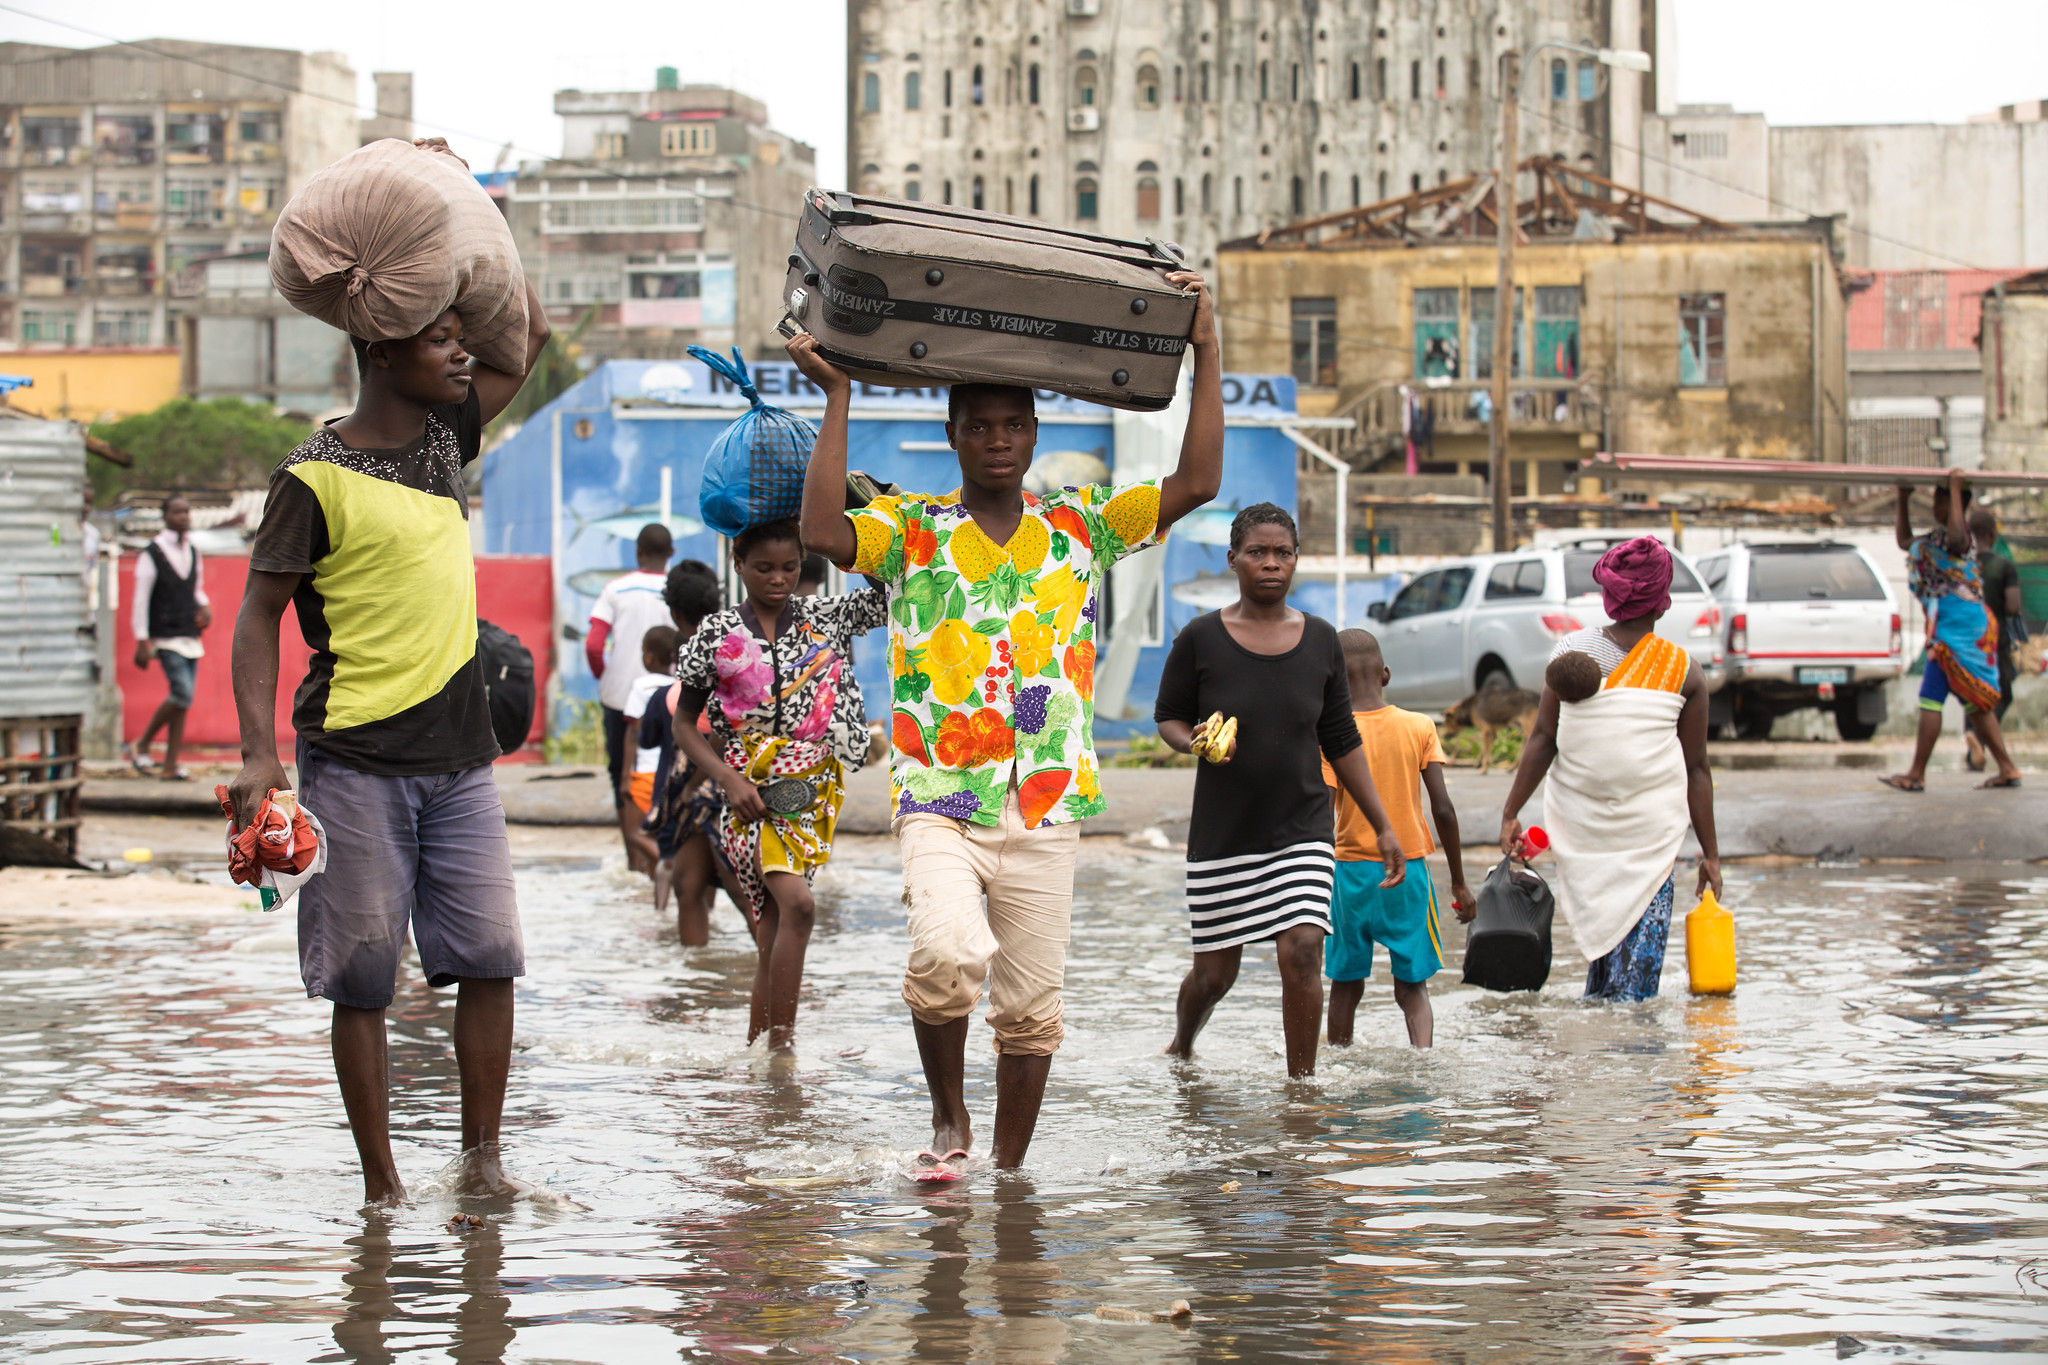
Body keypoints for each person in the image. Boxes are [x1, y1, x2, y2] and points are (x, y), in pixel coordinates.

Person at [789, 267, 1224, 1172]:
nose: (997, 440)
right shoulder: (913, 530)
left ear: (1034, 434)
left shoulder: (1082, 526)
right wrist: (836, 396)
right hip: (939, 792)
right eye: (979, 426)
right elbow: (824, 533)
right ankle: (950, 1121)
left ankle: (1007, 1176)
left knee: (1032, 1009)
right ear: (951, 435)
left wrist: (1204, 346)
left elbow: (1197, 479)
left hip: (1047, 799)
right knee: (947, 954)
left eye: (1013, 425)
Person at [229, 287, 550, 1206]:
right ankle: (383, 1188)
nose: (461, 357)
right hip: (355, 759)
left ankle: (483, 1164)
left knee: (491, 957)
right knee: (364, 979)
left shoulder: (448, 438)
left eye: (460, 341)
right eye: (440, 341)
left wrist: (467, 208)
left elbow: (525, 339)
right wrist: (261, 754)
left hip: (460, 759)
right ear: (379, 355)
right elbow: (257, 616)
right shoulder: (312, 477)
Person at [1153, 506, 1406, 1077]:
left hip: (1303, 825)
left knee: (1303, 951)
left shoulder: (1320, 639)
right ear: (1233, 560)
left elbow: (1341, 738)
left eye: (1282, 553)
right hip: (1224, 833)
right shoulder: (1200, 638)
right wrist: (1193, 741)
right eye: (1257, 552)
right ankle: (1183, 1043)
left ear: (1295, 559)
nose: (1270, 563)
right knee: (1216, 976)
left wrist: (1383, 824)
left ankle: (1302, 1089)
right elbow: (1168, 716)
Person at [672, 519, 886, 1054]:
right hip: (749, 792)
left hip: (813, 792)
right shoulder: (718, 635)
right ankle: (784, 1047)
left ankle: (762, 1056)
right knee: (798, 907)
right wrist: (726, 777)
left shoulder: (824, 619)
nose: (778, 579)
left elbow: (890, 596)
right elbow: (684, 721)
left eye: (790, 567)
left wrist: (871, 516)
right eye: (763, 568)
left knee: (770, 927)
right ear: (737, 564)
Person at [1498, 536, 1721, 1002]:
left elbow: (1544, 739)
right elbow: (1696, 769)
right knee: (1633, 999)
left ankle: (1601, 1068)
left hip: (1585, 839)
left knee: (1604, 982)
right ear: (1663, 601)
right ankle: (1630, 1071)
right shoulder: (1684, 671)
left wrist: (1511, 811)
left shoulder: (1570, 654)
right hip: (1650, 847)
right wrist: (1711, 855)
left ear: (1609, 594)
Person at [1321, 627, 1475, 1050]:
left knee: (1345, 986)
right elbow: (1442, 809)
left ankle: (1336, 1064)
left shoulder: (1329, 735)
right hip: (1408, 872)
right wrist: (1459, 882)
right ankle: (1423, 1061)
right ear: (1385, 674)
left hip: (1349, 874)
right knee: (1413, 988)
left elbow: (1321, 811)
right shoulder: (1419, 726)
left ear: (1333, 680)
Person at [1881, 471, 2022, 791]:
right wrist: (1903, 498)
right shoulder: (1935, 540)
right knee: (1976, 704)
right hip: (1954, 628)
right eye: (1936, 501)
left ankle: (1916, 773)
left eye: (1941, 502)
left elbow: (1958, 540)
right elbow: (1905, 541)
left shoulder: (1963, 539)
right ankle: (2008, 767)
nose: (1935, 508)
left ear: (1956, 504)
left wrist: (1956, 489)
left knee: (1931, 698)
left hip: (1959, 631)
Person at [647, 563, 730, 941]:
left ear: (675, 613)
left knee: (700, 885)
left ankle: (698, 973)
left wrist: (693, 784)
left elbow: (717, 729)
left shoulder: (695, 660)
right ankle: (705, 974)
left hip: (708, 786)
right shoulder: (741, 644)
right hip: (734, 782)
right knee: (694, 882)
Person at [589, 524, 678, 871]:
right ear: (670, 553)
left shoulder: (615, 589)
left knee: (622, 777)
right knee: (670, 767)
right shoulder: (676, 590)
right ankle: (669, 849)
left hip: (621, 696)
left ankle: (634, 858)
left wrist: (606, 675)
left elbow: (594, 644)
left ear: (638, 552)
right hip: (673, 695)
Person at [130, 494, 212, 781]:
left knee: (183, 702)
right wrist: (141, 640)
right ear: (164, 515)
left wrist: (205, 605)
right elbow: (141, 599)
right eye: (177, 512)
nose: (183, 517)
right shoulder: (152, 553)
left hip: (189, 634)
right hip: (164, 636)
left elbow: (196, 588)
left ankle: (170, 764)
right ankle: (142, 743)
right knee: (182, 693)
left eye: (187, 511)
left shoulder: (192, 550)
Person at [1966, 506, 2027, 772]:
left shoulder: (1964, 567)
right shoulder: (2003, 566)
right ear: (1992, 533)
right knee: (2004, 694)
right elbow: (2013, 607)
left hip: (1967, 641)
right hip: (1996, 640)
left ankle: (1973, 749)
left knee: (1972, 694)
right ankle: (1979, 737)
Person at [619, 624, 680, 872]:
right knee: (663, 832)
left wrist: (625, 777)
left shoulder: (641, 687)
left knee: (636, 834)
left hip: (644, 772)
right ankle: (660, 896)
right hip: (671, 771)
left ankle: (670, 866)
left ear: (649, 656)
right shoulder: (678, 686)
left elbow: (633, 733)